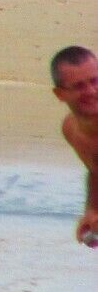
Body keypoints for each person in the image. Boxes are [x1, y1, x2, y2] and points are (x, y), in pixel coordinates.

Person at [50, 46, 98, 249]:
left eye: (95, 81)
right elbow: (95, 170)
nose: (91, 91)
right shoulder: (71, 128)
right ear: (60, 94)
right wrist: (91, 210)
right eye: (79, 86)